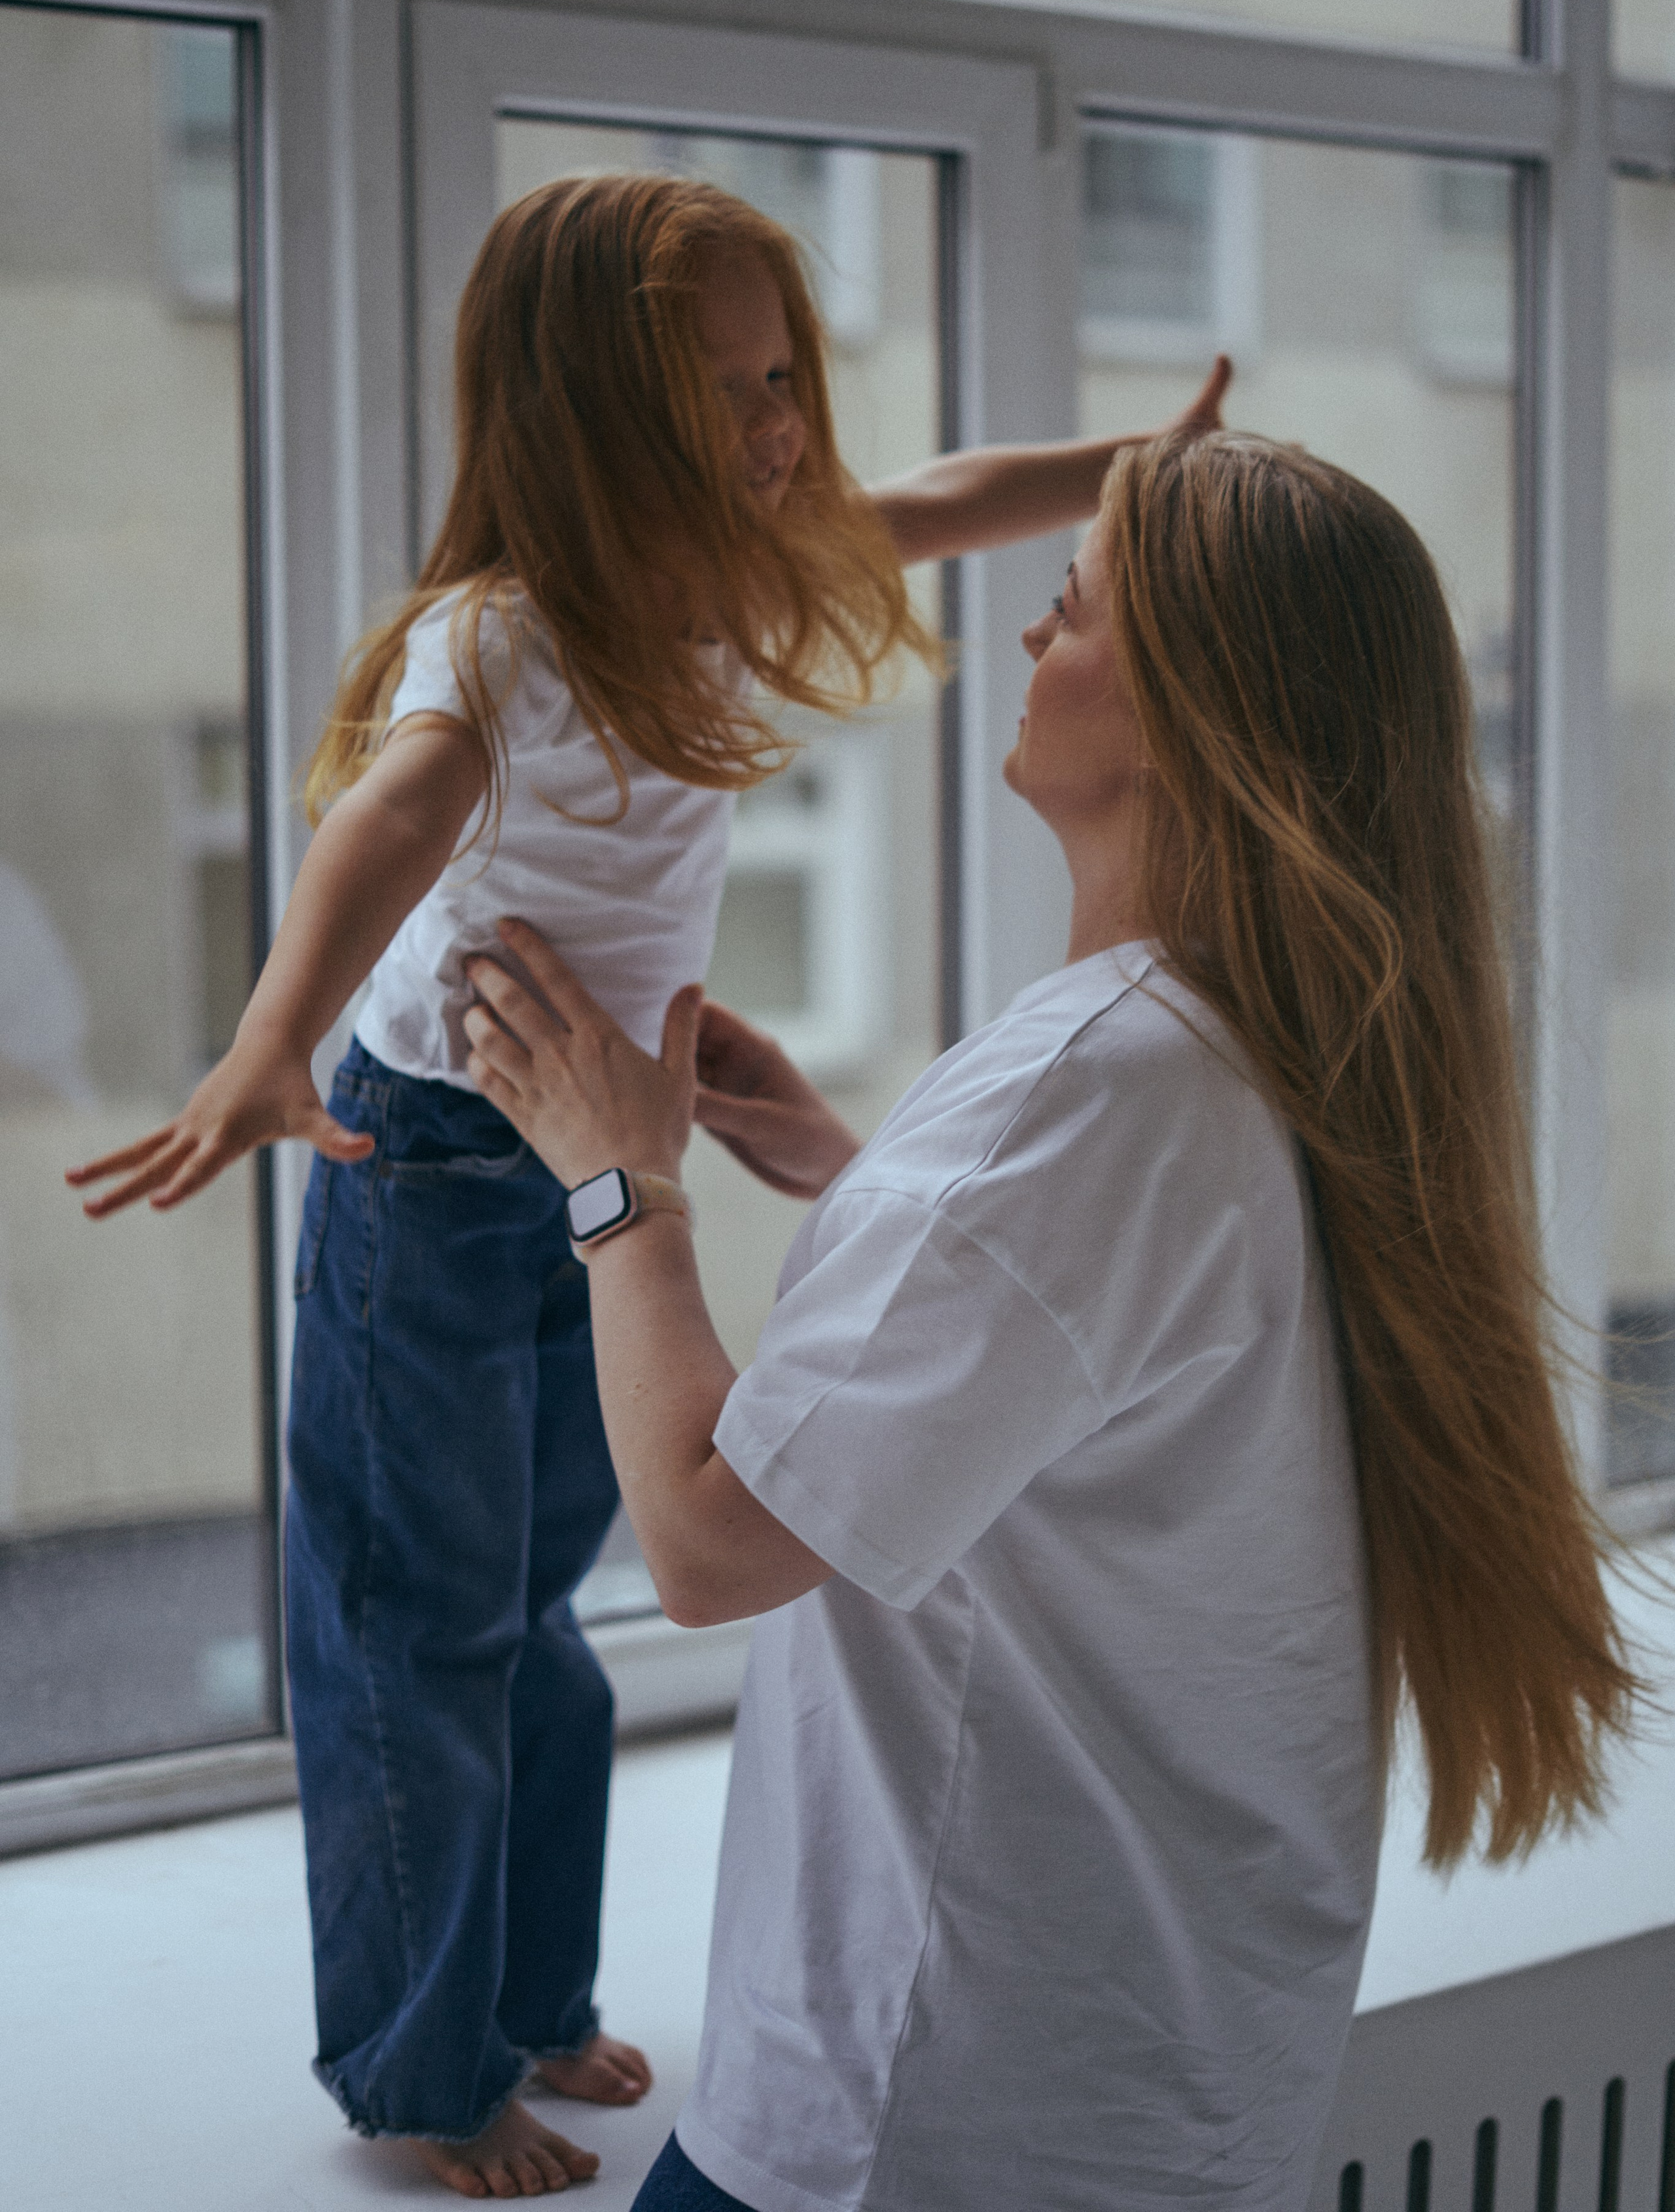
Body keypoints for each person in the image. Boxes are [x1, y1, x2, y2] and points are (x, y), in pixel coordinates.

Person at [66, 168, 1230, 2200]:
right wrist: (267, 1040)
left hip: (592, 1158)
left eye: (785, 379)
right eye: (730, 392)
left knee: (539, 1615)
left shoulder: (739, 572)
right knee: (422, 1629)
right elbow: (391, 819)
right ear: (592, 415)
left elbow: (947, 496)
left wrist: (1139, 463)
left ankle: (526, 2004)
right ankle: (426, 2073)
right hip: (434, 1163)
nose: (780, 428)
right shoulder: (503, 633)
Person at [459, 425, 1637, 2212]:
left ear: (1189, 710)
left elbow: (707, 1541)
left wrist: (622, 1182)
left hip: (919, 2130)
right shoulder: (1258, 1056)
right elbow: (1130, 1374)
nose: (1027, 636)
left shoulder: (1090, 1090)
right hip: (1162, 2103)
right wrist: (858, 1175)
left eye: (1073, 609)